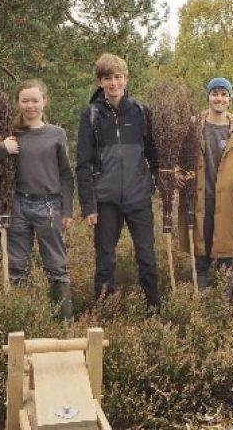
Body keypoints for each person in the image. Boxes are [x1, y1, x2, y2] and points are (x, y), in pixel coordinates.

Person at [0, 78, 74, 320]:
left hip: (50, 207)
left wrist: (67, 211)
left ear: (44, 102)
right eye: (25, 100)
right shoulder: (7, 134)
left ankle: (64, 325)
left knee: (57, 268)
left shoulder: (56, 134)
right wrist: (3, 149)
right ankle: (25, 322)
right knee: (18, 268)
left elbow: (67, 176)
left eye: (35, 100)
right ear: (18, 103)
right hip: (17, 206)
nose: (30, 105)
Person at [76, 53, 160, 310]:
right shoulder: (91, 115)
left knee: (146, 257)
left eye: (117, 77)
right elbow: (83, 163)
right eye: (107, 78)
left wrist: (156, 184)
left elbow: (154, 154)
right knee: (105, 259)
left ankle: (153, 309)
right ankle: (104, 311)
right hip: (105, 201)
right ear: (99, 82)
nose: (113, 83)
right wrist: (89, 206)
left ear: (126, 78)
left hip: (138, 199)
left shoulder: (141, 112)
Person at [176, 78, 233, 294]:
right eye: (215, 93)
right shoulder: (191, 126)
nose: (219, 98)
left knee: (226, 258)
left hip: (227, 203)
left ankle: (223, 307)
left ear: (230, 99)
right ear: (208, 96)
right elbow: (177, 158)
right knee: (201, 256)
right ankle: (201, 307)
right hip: (199, 201)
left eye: (224, 94)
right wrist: (177, 174)